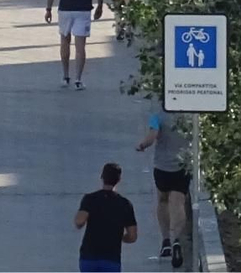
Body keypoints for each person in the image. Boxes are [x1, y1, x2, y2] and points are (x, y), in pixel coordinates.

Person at [137, 111, 192, 269]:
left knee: (163, 200)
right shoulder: (190, 115)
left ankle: (166, 240)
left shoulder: (158, 116)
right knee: (179, 201)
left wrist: (142, 145)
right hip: (182, 166)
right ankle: (177, 239)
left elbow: (152, 136)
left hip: (162, 167)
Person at [75, 163, 140, 273]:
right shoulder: (125, 204)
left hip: (88, 257)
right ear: (119, 180)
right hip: (111, 258)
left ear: (102, 177)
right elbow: (132, 236)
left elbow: (79, 222)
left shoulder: (90, 199)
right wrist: (120, 237)